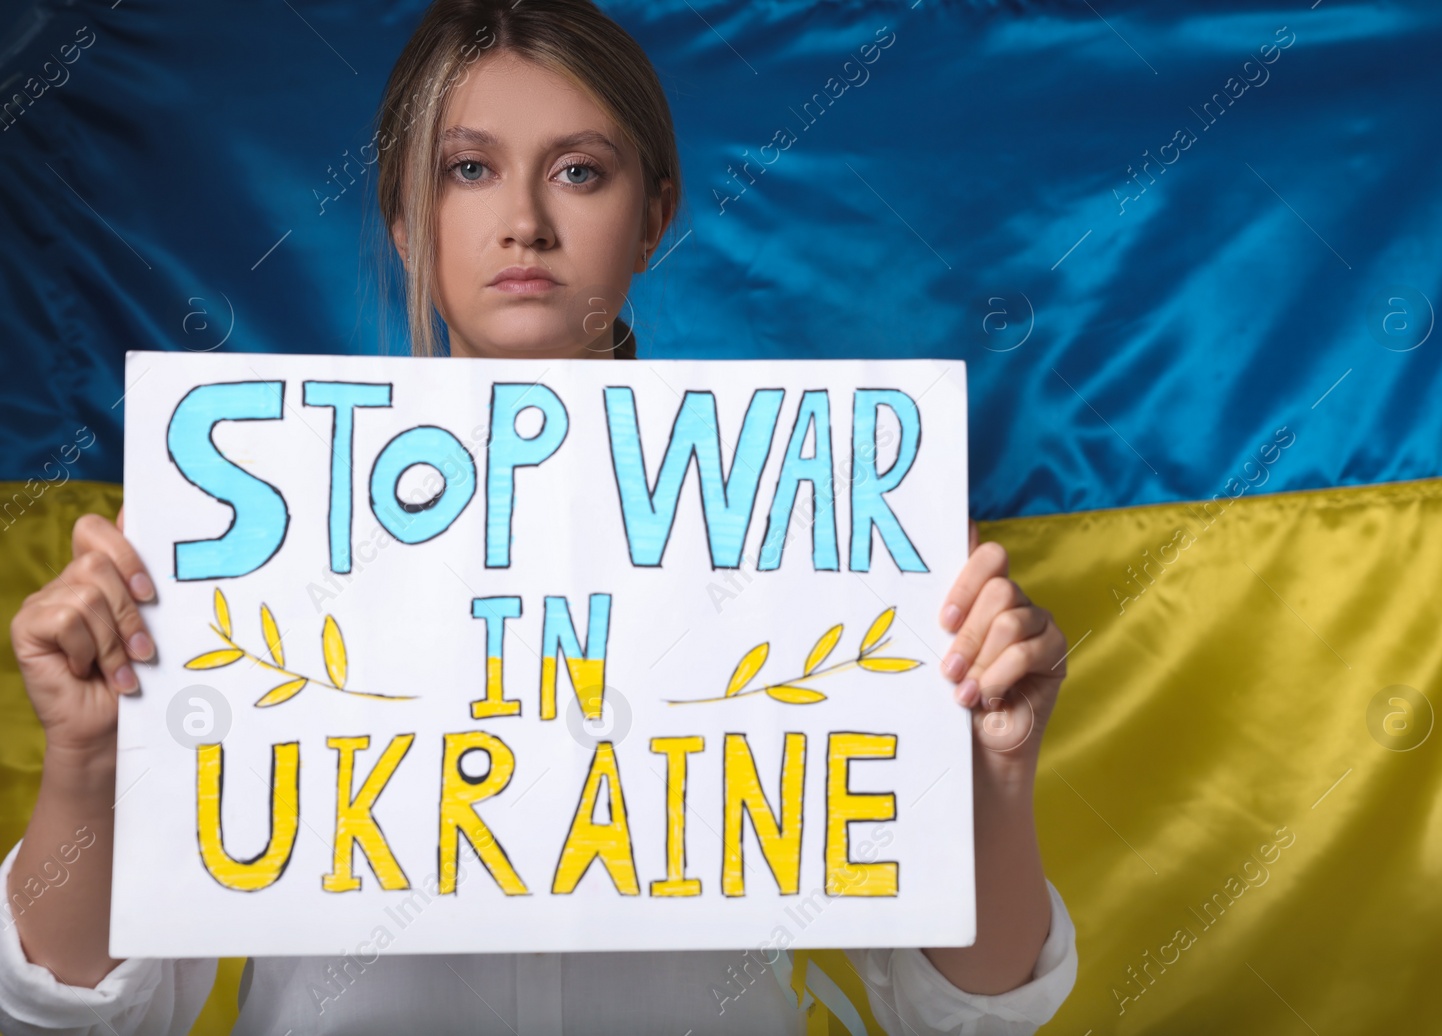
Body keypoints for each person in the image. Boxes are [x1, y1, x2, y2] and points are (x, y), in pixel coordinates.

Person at [0, 1, 1078, 1032]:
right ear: (404, 219)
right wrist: (91, 766)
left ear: (653, 214)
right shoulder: (250, 538)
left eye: (578, 171)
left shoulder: (805, 537)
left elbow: (965, 1013)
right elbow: (88, 1013)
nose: (523, 222)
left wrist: (993, 777)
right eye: (467, 169)